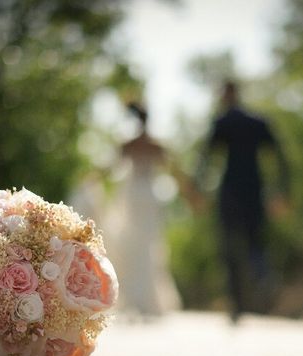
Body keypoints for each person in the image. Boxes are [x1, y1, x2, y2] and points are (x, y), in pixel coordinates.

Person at [196, 80, 289, 321]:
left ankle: (237, 305)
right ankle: (263, 275)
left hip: (230, 191)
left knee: (229, 247)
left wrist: (199, 190)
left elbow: (205, 158)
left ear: (227, 95)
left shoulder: (223, 122)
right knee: (255, 243)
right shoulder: (258, 121)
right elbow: (281, 155)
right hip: (255, 189)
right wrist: (282, 191)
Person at [101, 102, 181, 317]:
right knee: (149, 245)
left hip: (133, 196)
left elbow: (108, 170)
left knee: (134, 246)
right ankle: (147, 300)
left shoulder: (128, 144)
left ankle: (136, 299)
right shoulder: (156, 145)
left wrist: (90, 180)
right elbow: (174, 170)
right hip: (150, 196)